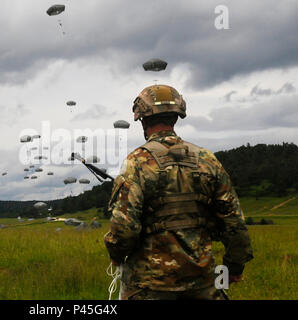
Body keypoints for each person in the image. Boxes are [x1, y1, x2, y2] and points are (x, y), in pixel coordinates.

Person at [104, 84, 253, 300]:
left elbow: (124, 228)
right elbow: (234, 222)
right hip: (202, 283)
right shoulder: (207, 160)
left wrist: (116, 254)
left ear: (142, 119)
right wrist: (235, 266)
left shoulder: (137, 162)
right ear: (176, 117)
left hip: (149, 286)